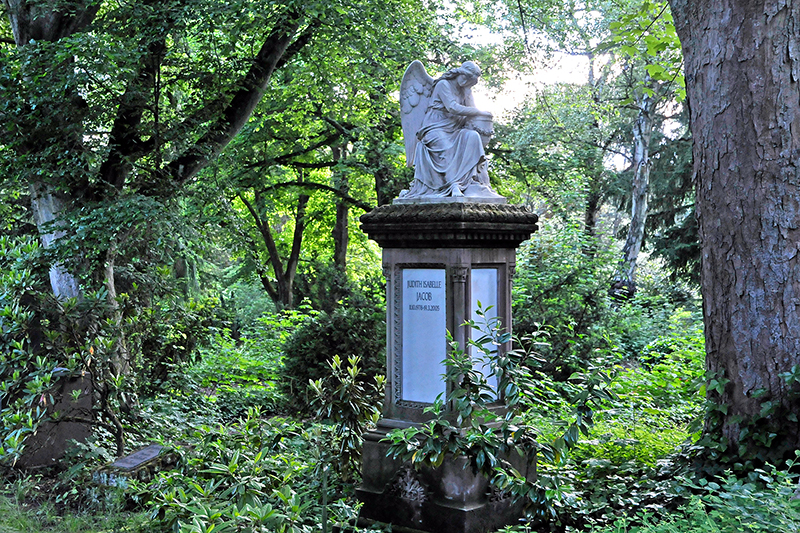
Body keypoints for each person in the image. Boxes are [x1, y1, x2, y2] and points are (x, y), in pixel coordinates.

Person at [399, 61, 499, 199]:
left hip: (455, 128)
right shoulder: (443, 84)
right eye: (467, 80)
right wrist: (478, 111)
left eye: (470, 83)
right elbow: (452, 107)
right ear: (461, 74)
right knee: (446, 148)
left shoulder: (466, 89)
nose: (467, 84)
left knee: (472, 137)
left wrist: (481, 114)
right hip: (435, 127)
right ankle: (454, 185)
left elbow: (471, 109)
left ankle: (472, 182)